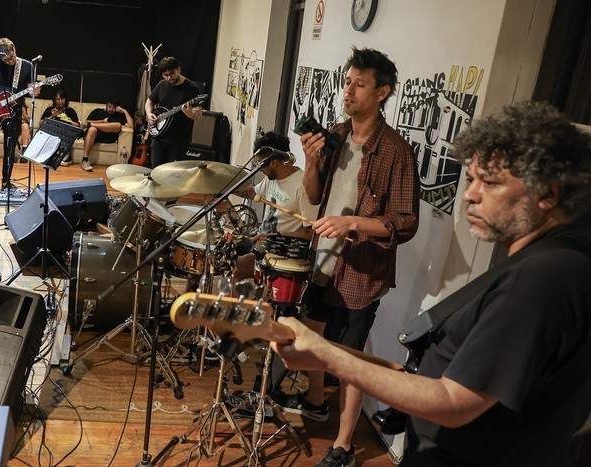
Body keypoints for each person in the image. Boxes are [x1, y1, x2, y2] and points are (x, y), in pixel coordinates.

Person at [272, 100, 591, 467]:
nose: (470, 195)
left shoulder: (541, 280)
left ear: (548, 193)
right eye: (471, 179)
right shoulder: (547, 258)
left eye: (490, 183)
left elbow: (453, 402)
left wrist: (325, 353)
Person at [280, 47, 420, 467]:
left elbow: (405, 223)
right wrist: (309, 160)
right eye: (347, 81)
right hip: (323, 261)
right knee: (313, 338)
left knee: (351, 362)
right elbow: (315, 194)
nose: (348, 91)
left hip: (360, 273)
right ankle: (316, 401)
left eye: (359, 84)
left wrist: (352, 224)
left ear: (382, 92)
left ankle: (342, 446)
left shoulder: (395, 151)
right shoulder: (337, 134)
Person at [234, 131, 319, 279]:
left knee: (233, 267)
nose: (260, 169)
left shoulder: (302, 186)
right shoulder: (272, 179)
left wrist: (273, 235)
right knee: (223, 251)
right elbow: (251, 192)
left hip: (279, 249)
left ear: (273, 162)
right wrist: (218, 185)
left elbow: (311, 232)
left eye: (261, 164)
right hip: (261, 241)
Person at [0, 38, 39, 191]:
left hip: (14, 111)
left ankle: (6, 182)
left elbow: (31, 91)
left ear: (14, 49)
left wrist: (35, 90)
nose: (10, 61)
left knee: (9, 147)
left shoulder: (26, 66)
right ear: (0, 57)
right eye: (6, 59)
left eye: (12, 57)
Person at [145, 56, 203, 168]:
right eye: (165, 75)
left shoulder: (191, 88)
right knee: (156, 171)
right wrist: (149, 114)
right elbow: (149, 102)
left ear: (179, 70)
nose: (168, 78)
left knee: (173, 174)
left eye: (172, 73)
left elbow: (198, 113)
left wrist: (190, 114)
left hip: (179, 141)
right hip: (159, 138)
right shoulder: (162, 85)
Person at [80, 96, 133, 171]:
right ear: (106, 105)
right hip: (94, 135)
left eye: (114, 107)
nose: (111, 109)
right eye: (109, 106)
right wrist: (102, 121)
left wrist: (124, 111)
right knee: (92, 129)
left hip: (108, 137)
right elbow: (86, 122)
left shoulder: (119, 116)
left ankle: (92, 125)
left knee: (118, 125)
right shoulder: (98, 111)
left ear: (117, 108)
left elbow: (131, 126)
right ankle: (84, 160)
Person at [39, 88, 80, 166]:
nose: (60, 101)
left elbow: (77, 125)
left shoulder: (70, 110)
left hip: (65, 132)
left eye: (62, 99)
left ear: (65, 99)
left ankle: (66, 155)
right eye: (58, 99)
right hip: (52, 131)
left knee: (63, 123)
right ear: (55, 100)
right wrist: (52, 116)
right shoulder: (50, 109)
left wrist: (67, 120)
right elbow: (41, 123)